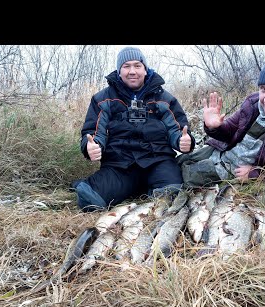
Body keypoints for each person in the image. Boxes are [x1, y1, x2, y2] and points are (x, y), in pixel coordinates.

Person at [73, 46, 195, 212]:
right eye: (126, 66)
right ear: (119, 70)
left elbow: (178, 129)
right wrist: (91, 146)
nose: (132, 71)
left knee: (171, 197)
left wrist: (183, 141)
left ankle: (145, 187)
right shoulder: (102, 99)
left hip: (157, 161)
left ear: (145, 69)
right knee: (90, 200)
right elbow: (94, 132)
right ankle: (99, 185)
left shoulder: (164, 99)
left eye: (137, 66)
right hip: (120, 164)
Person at [177, 58, 265, 187]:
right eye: (263, 89)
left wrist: (256, 175)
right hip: (220, 151)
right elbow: (230, 133)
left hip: (235, 170)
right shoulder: (253, 102)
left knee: (178, 181)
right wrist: (215, 127)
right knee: (178, 161)